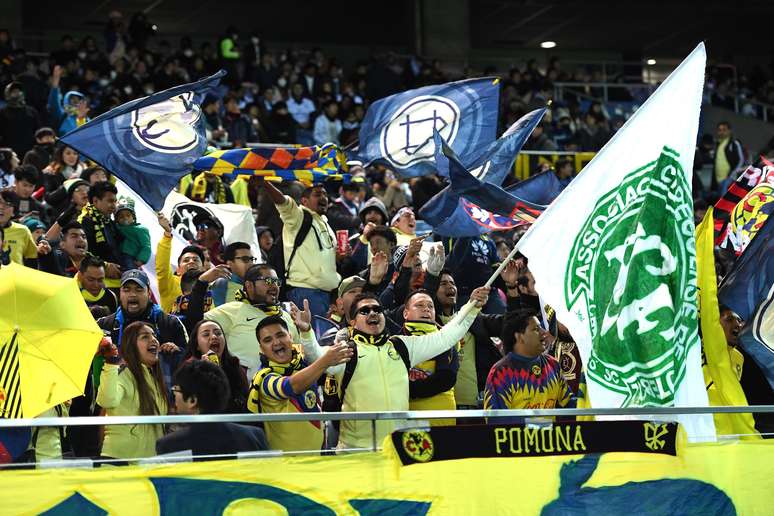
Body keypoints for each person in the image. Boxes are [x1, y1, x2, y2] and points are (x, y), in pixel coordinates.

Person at [298, 288, 489, 449]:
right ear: (353, 322)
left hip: (398, 451)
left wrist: (472, 306)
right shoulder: (346, 352)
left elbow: (446, 337)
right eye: (365, 311)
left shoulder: (402, 346)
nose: (373, 313)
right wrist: (306, 333)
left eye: (377, 309)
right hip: (357, 452)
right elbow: (316, 357)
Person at [247, 315, 353, 451]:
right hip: (288, 465)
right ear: (261, 349)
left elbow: (315, 356)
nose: (276, 342)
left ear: (290, 337)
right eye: (268, 340)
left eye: (280, 335)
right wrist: (325, 361)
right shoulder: (263, 379)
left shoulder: (303, 366)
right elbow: (291, 386)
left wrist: (306, 330)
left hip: (319, 459)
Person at [98, 270, 188, 392]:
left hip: (161, 397)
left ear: (149, 293)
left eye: (138, 289)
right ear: (120, 293)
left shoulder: (170, 323)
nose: (132, 294)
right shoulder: (104, 325)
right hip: (118, 398)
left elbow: (188, 361)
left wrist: (177, 352)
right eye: (126, 289)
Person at [157, 360, 267, 458]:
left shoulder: (170, 446)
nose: (174, 397)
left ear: (192, 401)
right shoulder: (255, 437)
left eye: (176, 390)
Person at [204, 264, 299, 378]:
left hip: (289, 386)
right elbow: (194, 322)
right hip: (246, 389)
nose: (275, 286)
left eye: (277, 282)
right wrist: (201, 282)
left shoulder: (286, 316)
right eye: (268, 281)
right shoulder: (232, 310)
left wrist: (306, 331)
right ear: (249, 286)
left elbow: (301, 354)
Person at [262, 180, 340, 318]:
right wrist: (265, 183)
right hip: (306, 293)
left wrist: (339, 257)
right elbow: (283, 202)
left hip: (327, 294)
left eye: (325, 194)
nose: (323, 198)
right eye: (317, 194)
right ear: (304, 201)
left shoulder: (325, 223)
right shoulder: (298, 216)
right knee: (310, 336)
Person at [96, 321, 168, 461]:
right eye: (145, 337)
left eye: (154, 335)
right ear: (131, 346)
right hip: (120, 462)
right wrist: (110, 364)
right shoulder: (123, 372)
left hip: (149, 464)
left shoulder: (156, 378)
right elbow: (107, 400)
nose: (153, 339)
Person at [483, 309, 575, 419]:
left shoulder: (553, 364)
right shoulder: (501, 373)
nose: (544, 332)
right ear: (519, 337)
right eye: (536, 329)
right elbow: (496, 421)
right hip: (517, 436)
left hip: (551, 436)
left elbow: (569, 406)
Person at [402, 289, 459, 426]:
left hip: (441, 420)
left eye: (430, 306)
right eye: (419, 305)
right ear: (405, 313)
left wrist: (404, 390)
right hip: (405, 421)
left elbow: (446, 379)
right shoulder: (395, 341)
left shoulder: (446, 339)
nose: (426, 309)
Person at [184, 320, 249, 413]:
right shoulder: (189, 370)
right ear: (197, 345)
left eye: (218, 333)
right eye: (206, 334)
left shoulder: (235, 367)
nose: (214, 337)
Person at [156, 213, 205, 313]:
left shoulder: (210, 287)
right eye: (186, 260)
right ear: (178, 270)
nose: (191, 262)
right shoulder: (170, 284)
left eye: (196, 260)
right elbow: (162, 266)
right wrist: (167, 234)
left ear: (203, 268)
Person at [78, 181, 122, 287]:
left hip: (116, 281)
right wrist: (105, 266)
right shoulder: (85, 222)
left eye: (115, 202)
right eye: (110, 201)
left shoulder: (109, 221)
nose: (114, 206)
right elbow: (81, 253)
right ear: (95, 201)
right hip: (96, 284)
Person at [0, 81, 40, 157]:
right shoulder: (2, 113)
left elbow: (37, 131)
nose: (18, 93)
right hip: (10, 154)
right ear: (7, 94)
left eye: (19, 91)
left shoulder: (31, 111)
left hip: (29, 152)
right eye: (14, 92)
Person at [211, 241, 256, 306]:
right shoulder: (221, 284)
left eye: (252, 259)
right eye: (245, 259)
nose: (251, 263)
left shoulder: (257, 284)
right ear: (230, 263)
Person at [0, 191, 36, 266]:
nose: (1, 207)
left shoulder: (23, 231)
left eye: (7, 204)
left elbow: (32, 258)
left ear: (14, 212)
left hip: (15, 277)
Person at [115, 196, 151, 270]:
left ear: (133, 217)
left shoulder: (141, 230)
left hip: (131, 257)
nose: (125, 218)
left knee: (129, 271)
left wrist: (141, 260)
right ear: (117, 220)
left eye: (128, 215)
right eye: (121, 216)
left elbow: (146, 246)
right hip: (118, 255)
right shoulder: (116, 227)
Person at [712, 121, 746, 193]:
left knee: (724, 199)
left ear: (729, 131)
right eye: (719, 130)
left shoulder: (734, 143)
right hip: (717, 179)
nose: (722, 132)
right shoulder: (717, 144)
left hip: (729, 178)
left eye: (724, 130)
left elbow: (741, 160)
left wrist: (733, 174)